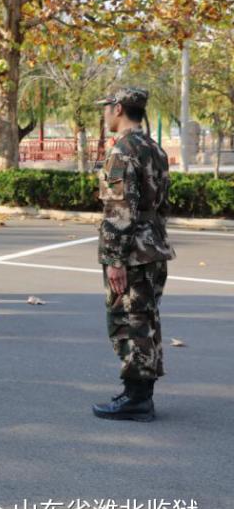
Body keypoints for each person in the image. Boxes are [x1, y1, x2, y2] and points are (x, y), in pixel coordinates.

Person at [91, 87, 175, 422]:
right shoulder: (155, 149)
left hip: (132, 252)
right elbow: (163, 204)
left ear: (120, 108)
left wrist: (114, 260)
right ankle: (137, 393)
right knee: (147, 319)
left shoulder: (122, 151)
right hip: (153, 246)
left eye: (107, 107)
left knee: (129, 322)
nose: (105, 114)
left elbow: (118, 209)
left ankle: (137, 400)